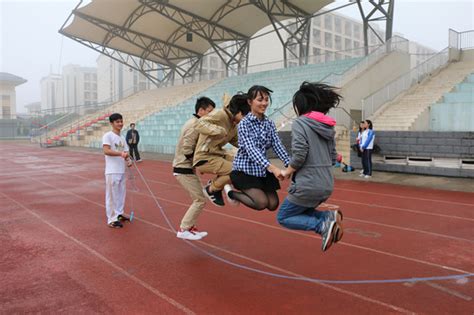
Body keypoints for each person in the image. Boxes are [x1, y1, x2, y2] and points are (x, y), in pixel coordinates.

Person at [276, 82, 343, 252]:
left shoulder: (301, 123)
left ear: (301, 105)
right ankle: (328, 216)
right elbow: (333, 156)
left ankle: (322, 225)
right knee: (301, 211)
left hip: (307, 184)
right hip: (326, 184)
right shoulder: (327, 126)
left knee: (284, 217)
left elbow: (300, 153)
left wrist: (287, 171)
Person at [224, 85, 290, 211]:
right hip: (245, 170)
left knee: (273, 205)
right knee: (261, 203)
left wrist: (289, 163)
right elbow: (251, 150)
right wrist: (273, 168)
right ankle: (231, 193)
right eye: (260, 100)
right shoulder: (244, 123)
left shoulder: (269, 123)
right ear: (250, 102)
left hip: (262, 169)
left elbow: (277, 144)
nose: (264, 103)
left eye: (266, 99)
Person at [193, 93, 250, 207]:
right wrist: (218, 131)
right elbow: (199, 124)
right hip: (204, 156)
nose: (247, 119)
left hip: (217, 154)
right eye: (246, 116)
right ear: (239, 112)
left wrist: (253, 148)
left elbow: (237, 141)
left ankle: (218, 185)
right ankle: (211, 189)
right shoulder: (220, 114)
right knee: (236, 171)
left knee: (244, 165)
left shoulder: (233, 124)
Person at [173, 97, 216, 240]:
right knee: (200, 200)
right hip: (183, 168)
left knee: (200, 198)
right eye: (209, 112)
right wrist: (201, 163)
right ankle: (184, 229)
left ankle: (190, 227)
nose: (211, 115)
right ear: (201, 110)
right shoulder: (195, 124)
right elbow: (187, 149)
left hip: (186, 168)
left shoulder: (196, 123)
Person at [102, 113, 132, 228]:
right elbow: (106, 151)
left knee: (121, 193)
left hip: (121, 170)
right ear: (112, 123)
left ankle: (119, 213)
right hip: (112, 170)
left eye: (121, 121)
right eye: (117, 122)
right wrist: (121, 154)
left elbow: (126, 152)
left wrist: (128, 160)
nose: (120, 124)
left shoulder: (122, 138)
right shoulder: (108, 136)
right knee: (112, 195)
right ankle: (111, 219)